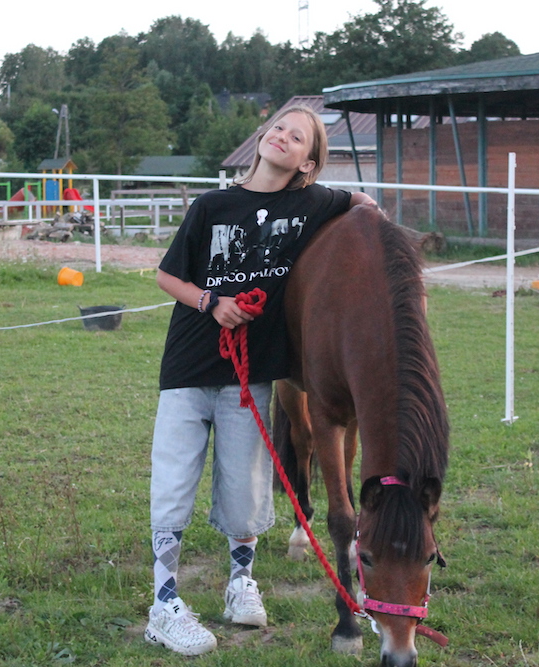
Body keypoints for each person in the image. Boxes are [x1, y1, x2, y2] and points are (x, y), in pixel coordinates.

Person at [144, 106, 376, 656]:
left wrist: (375, 220)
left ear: (307, 163)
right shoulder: (211, 205)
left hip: (250, 375)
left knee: (245, 488)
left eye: (297, 137)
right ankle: (164, 603)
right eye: (278, 129)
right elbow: (166, 275)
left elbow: (362, 203)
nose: (282, 137)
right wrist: (212, 302)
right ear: (262, 139)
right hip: (189, 364)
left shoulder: (311, 204)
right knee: (174, 482)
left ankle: (241, 583)